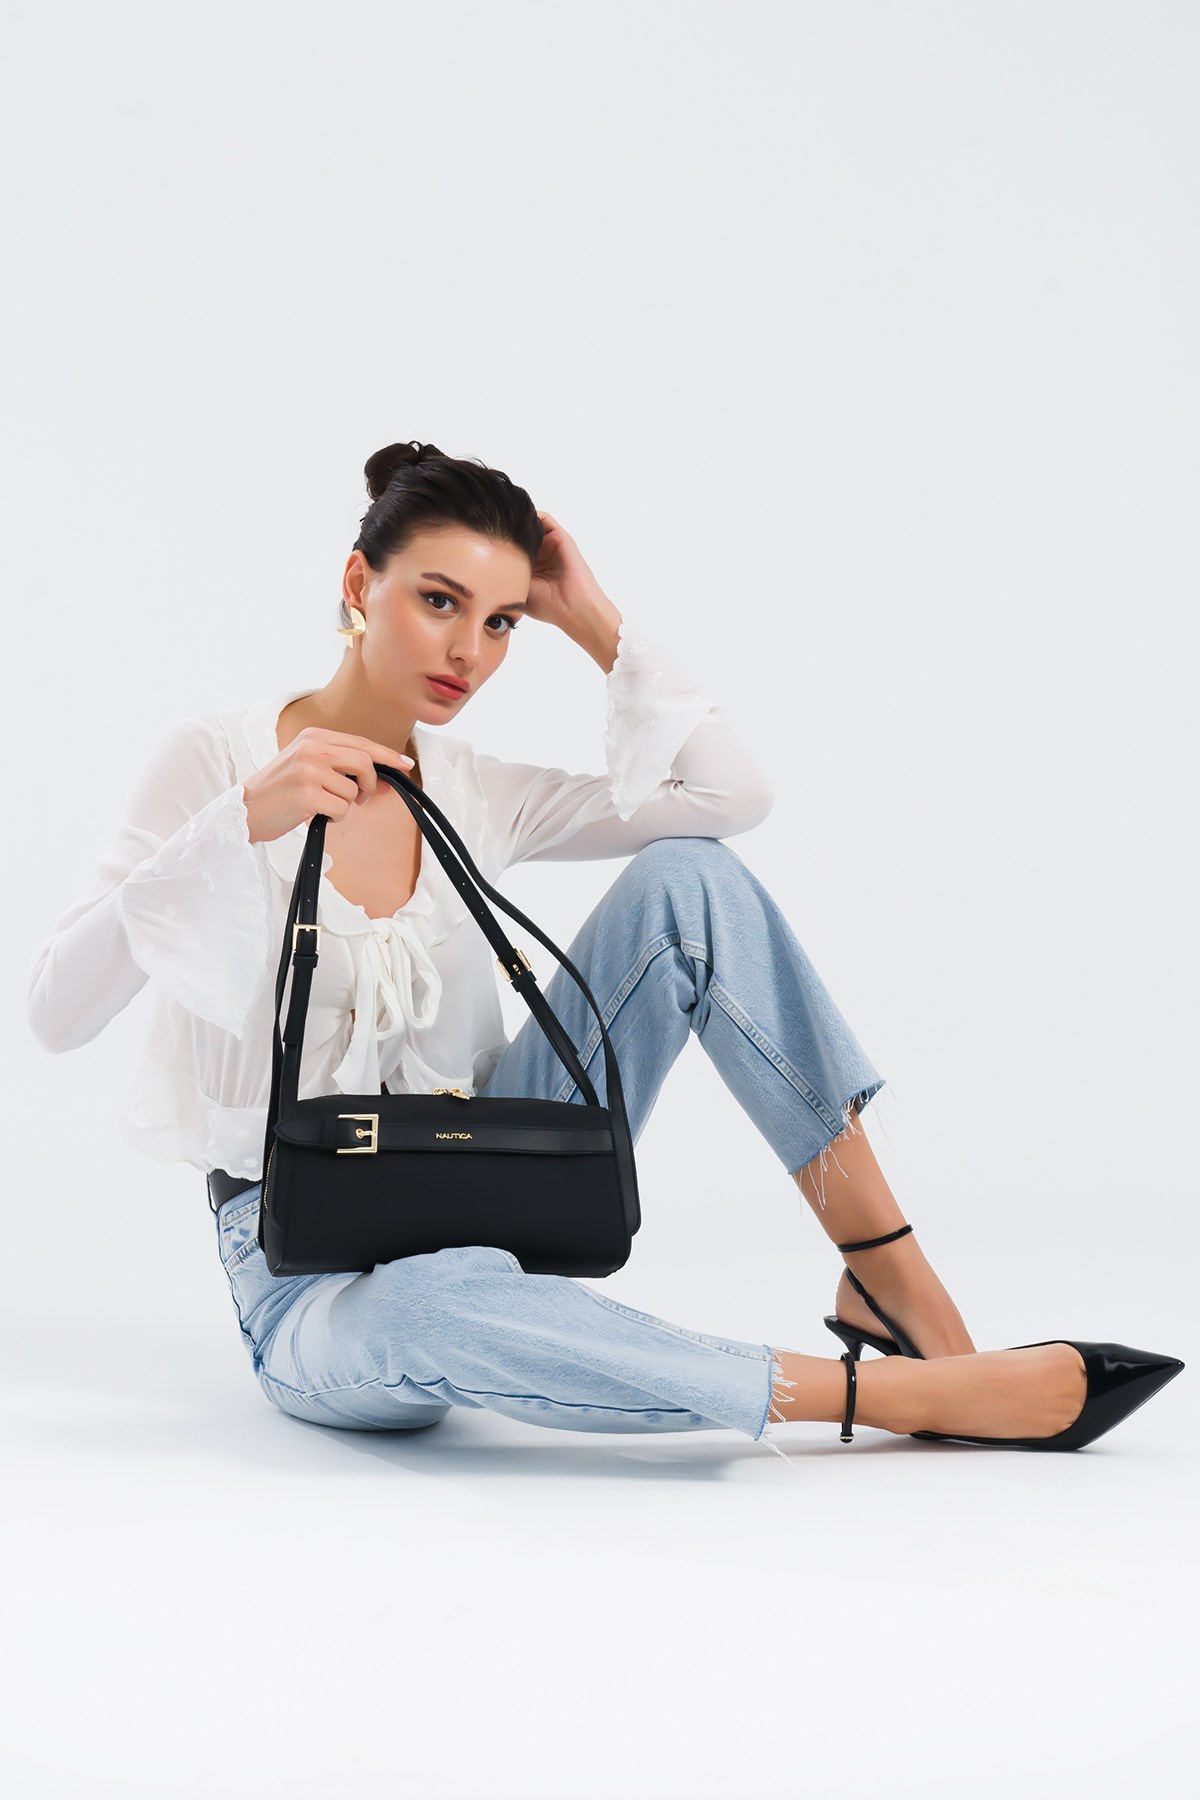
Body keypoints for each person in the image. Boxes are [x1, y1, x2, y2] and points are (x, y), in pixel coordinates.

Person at [26, 440, 1183, 1467]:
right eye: (438, 600)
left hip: (484, 1172)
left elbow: (729, 800)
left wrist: (590, 619)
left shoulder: (477, 790)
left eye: (499, 622)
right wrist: (240, 823)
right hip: (306, 1272)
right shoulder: (216, 761)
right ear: (358, 583)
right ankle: (894, 1396)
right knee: (430, 1310)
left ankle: (888, 1274)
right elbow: (54, 1013)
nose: (468, 650)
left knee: (691, 882)